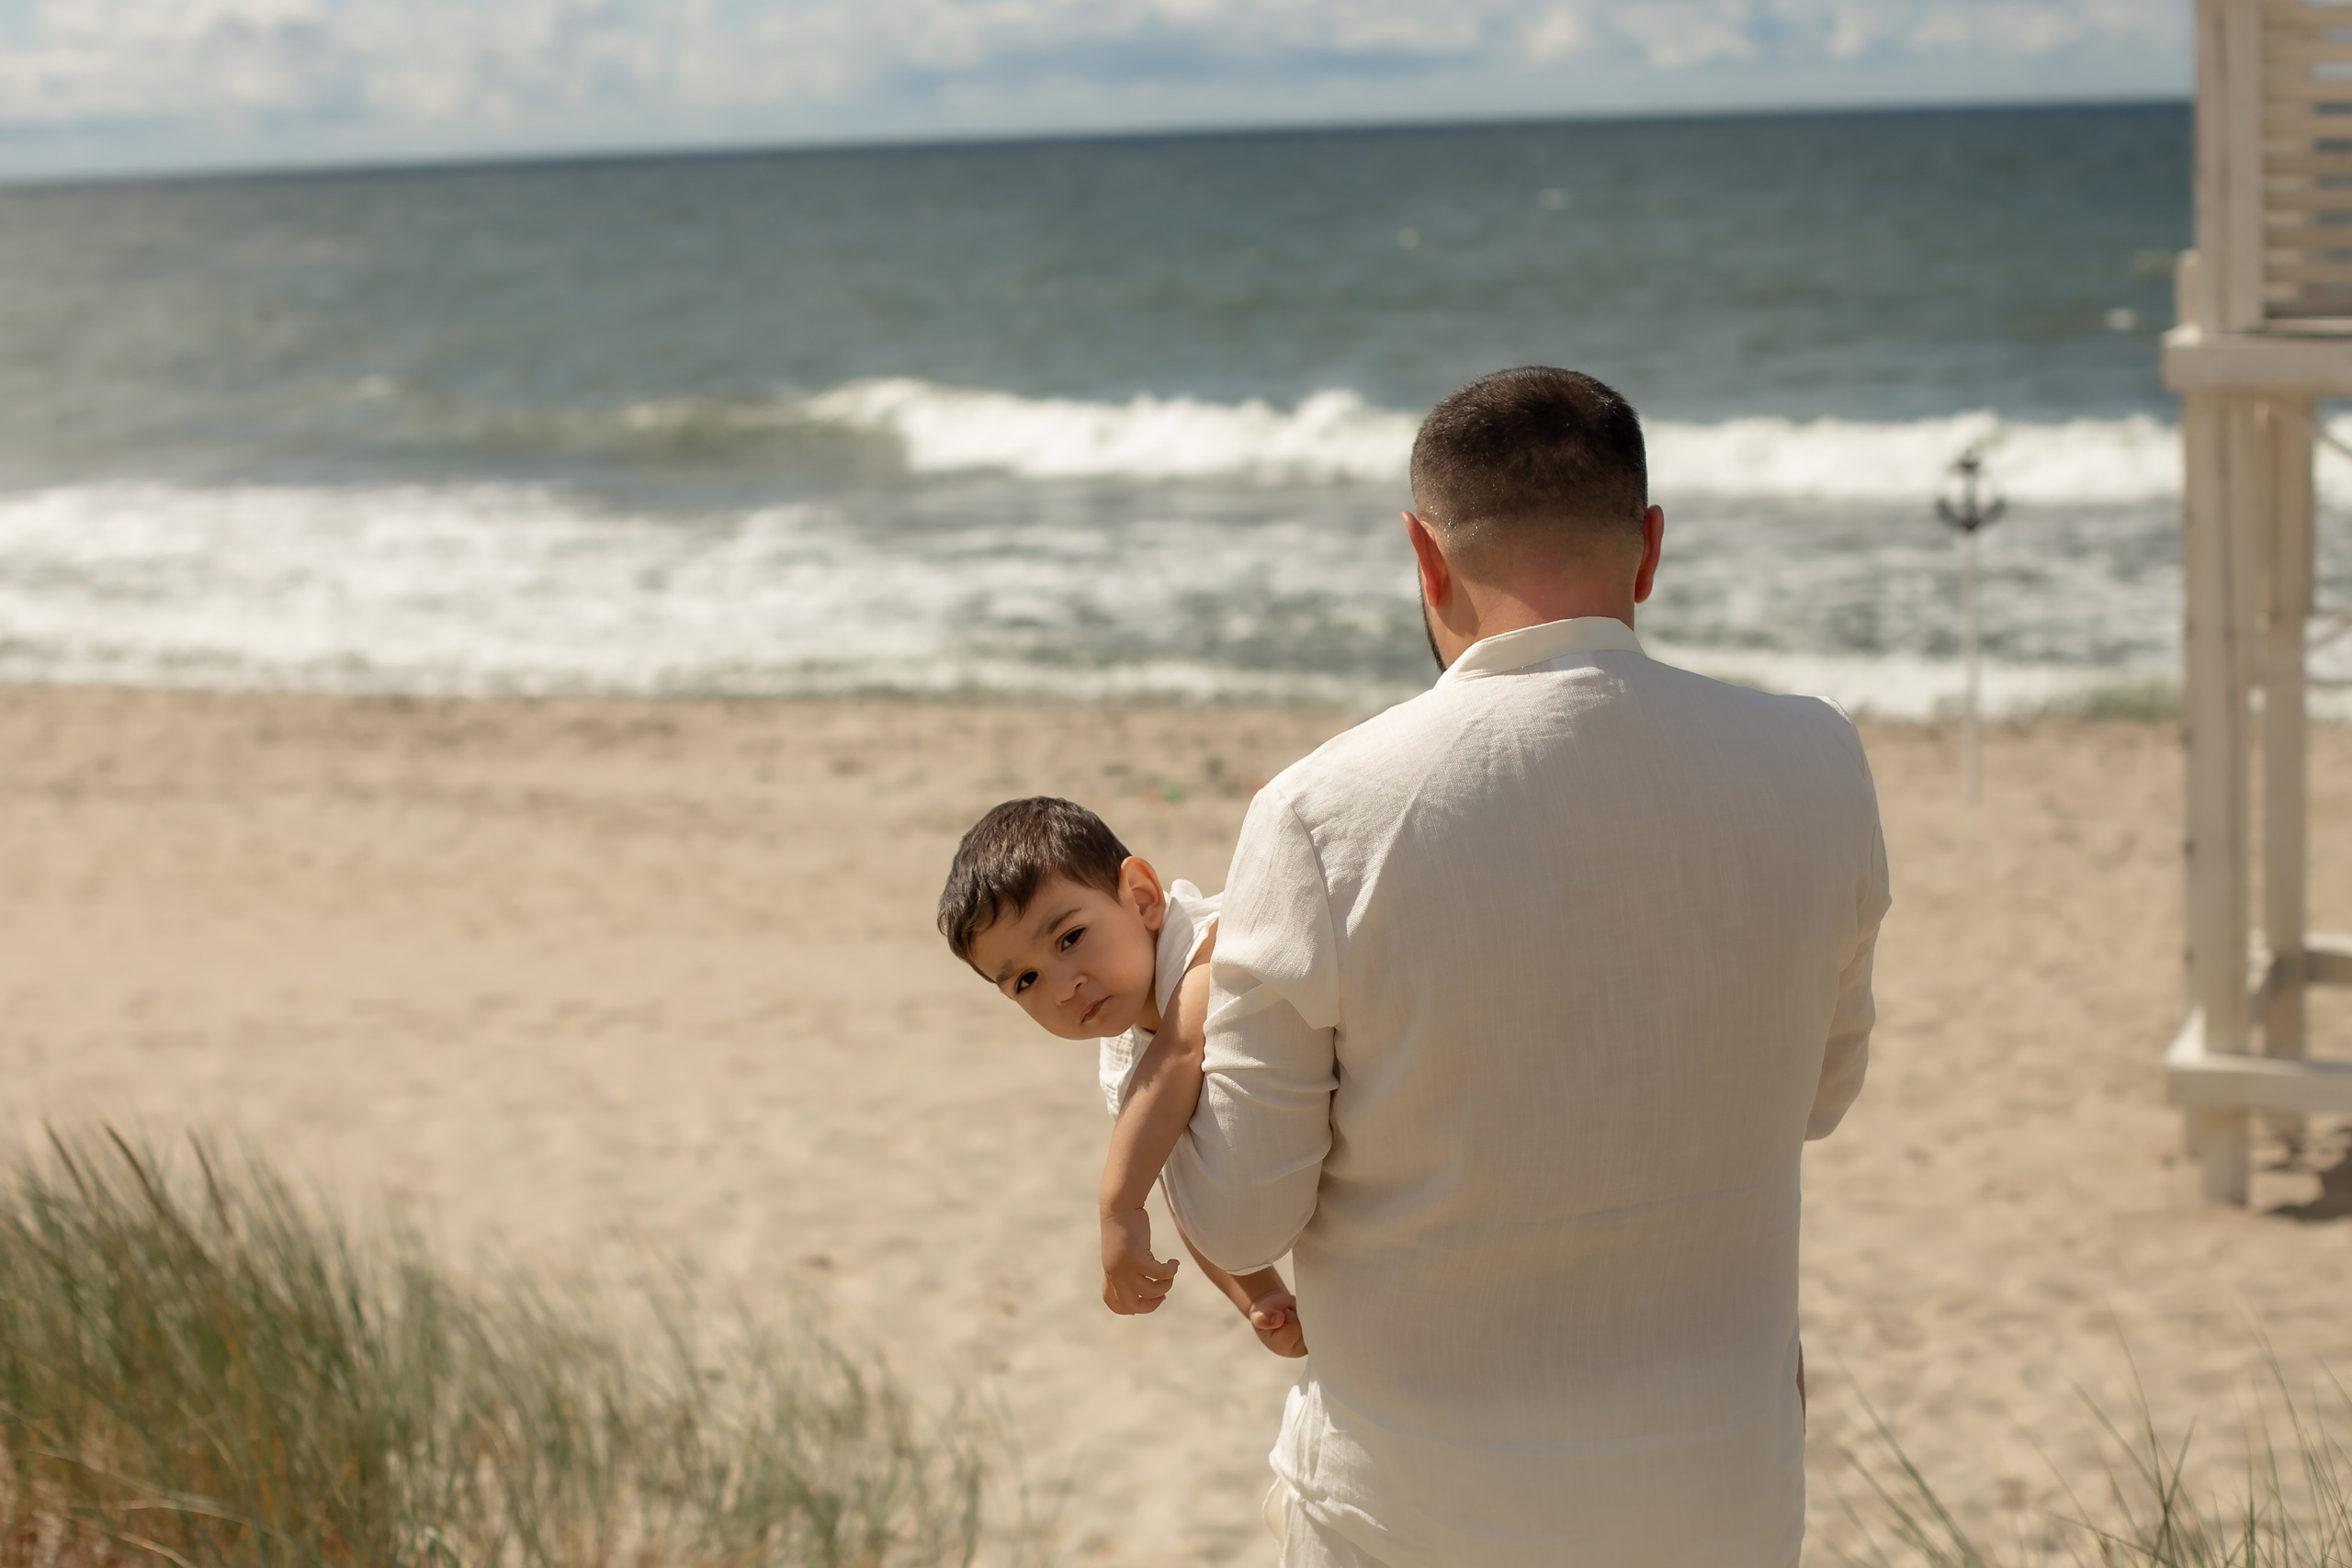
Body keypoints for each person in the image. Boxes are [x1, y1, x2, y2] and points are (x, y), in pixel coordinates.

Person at [1162, 367, 1891, 1567]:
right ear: (1649, 548)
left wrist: (1154, 1033)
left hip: (1418, 1504)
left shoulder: (1320, 811)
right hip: (1720, 1489)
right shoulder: (1817, 763)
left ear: (1422, 551)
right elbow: (1821, 1095)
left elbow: (1245, 1208)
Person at [937, 796, 1308, 1358]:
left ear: (1140, 898)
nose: (1063, 987)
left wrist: (1117, 1207)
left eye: (1069, 938)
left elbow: (1182, 1051)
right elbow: (1181, 1184)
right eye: (1026, 981)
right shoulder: (1124, 1055)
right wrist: (1257, 1295)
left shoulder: (1210, 949)